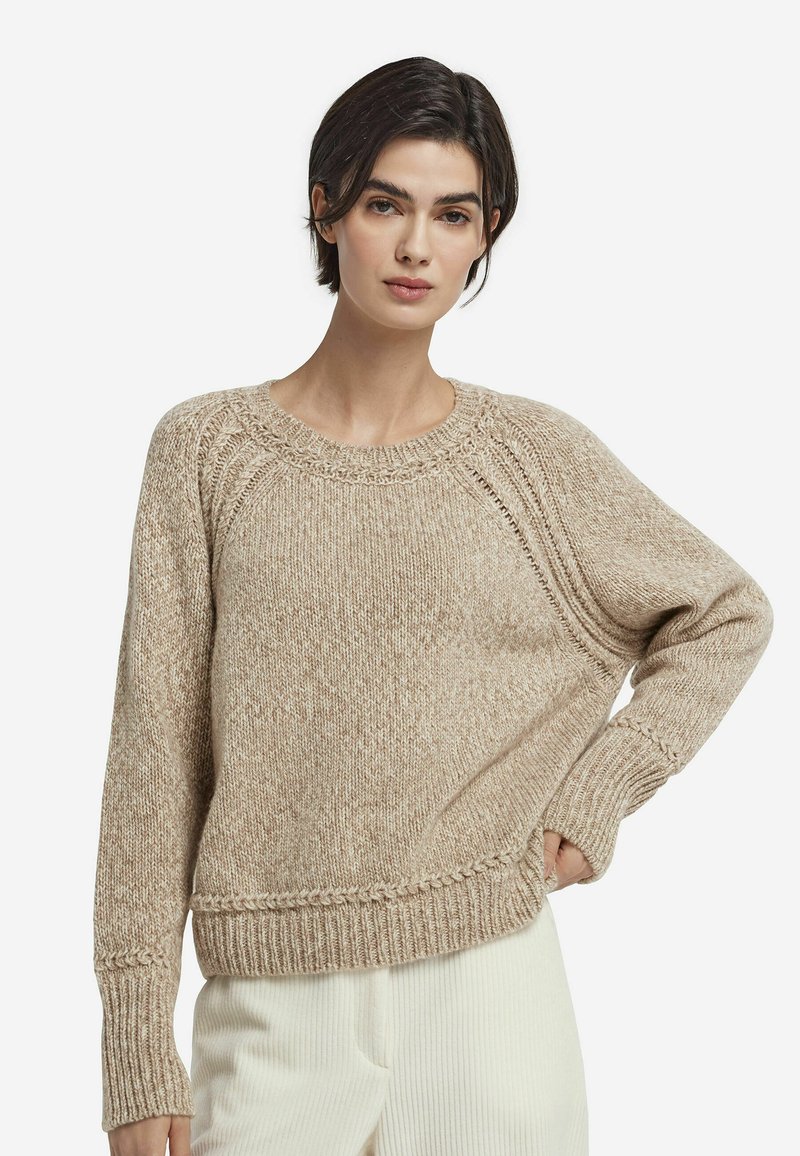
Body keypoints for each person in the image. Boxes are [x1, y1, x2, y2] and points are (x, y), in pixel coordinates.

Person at [93, 56, 773, 1156]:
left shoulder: (530, 458)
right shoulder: (207, 451)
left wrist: (600, 790)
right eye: (384, 205)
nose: (416, 246)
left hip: (488, 996)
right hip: (272, 1013)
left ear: (484, 234)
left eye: (452, 215)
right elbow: (154, 757)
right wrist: (135, 1041)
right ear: (326, 209)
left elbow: (724, 612)